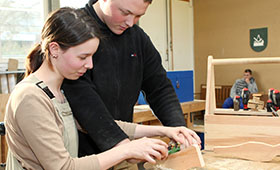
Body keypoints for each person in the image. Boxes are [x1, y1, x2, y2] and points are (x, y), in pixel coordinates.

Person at [4, 7, 197, 170]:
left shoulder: (60, 92)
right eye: (82, 57)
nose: (90, 65)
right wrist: (126, 150)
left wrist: (166, 131)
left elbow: (109, 124)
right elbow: (64, 167)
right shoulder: (31, 97)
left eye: (92, 57)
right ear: (54, 50)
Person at [62, 0, 201, 160]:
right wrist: (124, 147)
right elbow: (84, 103)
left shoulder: (137, 38)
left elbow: (160, 88)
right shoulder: (76, 30)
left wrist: (178, 129)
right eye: (125, 12)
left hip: (121, 146)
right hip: (81, 156)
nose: (130, 22)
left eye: (138, 15)